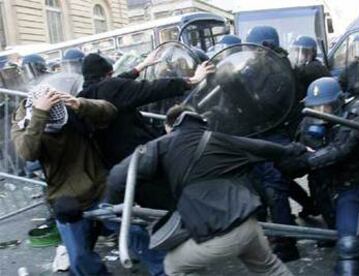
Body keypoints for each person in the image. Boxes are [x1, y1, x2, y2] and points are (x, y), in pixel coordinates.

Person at [108, 104, 309, 276]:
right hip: (249, 225)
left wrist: (119, 207)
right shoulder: (219, 139)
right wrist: (293, 149)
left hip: (220, 234)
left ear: (169, 126)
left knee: (172, 266)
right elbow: (263, 147)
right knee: (270, 268)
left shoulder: (160, 145)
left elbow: (117, 178)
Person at [11, 84, 117, 275]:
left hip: (99, 185)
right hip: (66, 197)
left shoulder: (67, 108)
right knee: (79, 257)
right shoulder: (25, 122)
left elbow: (109, 111)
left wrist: (80, 104)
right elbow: (28, 152)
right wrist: (39, 116)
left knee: (135, 232)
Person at [300, 77, 359, 275]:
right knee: (349, 247)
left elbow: (342, 148)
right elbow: (306, 145)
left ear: (337, 102)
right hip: (350, 192)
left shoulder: (358, 112)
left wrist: (307, 161)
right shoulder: (311, 119)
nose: (320, 113)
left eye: (325, 107)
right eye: (316, 108)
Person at [78, 52, 214, 169]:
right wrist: (192, 80)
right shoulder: (111, 88)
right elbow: (151, 88)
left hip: (113, 161)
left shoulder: (83, 96)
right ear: (108, 74)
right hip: (138, 155)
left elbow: (117, 83)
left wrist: (140, 67)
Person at [246, 25, 313, 261]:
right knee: (269, 185)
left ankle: (286, 245)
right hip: (260, 132)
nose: (252, 53)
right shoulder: (262, 65)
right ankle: (286, 229)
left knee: (275, 188)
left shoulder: (278, 70)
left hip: (273, 132)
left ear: (265, 47)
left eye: (256, 48)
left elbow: (265, 103)